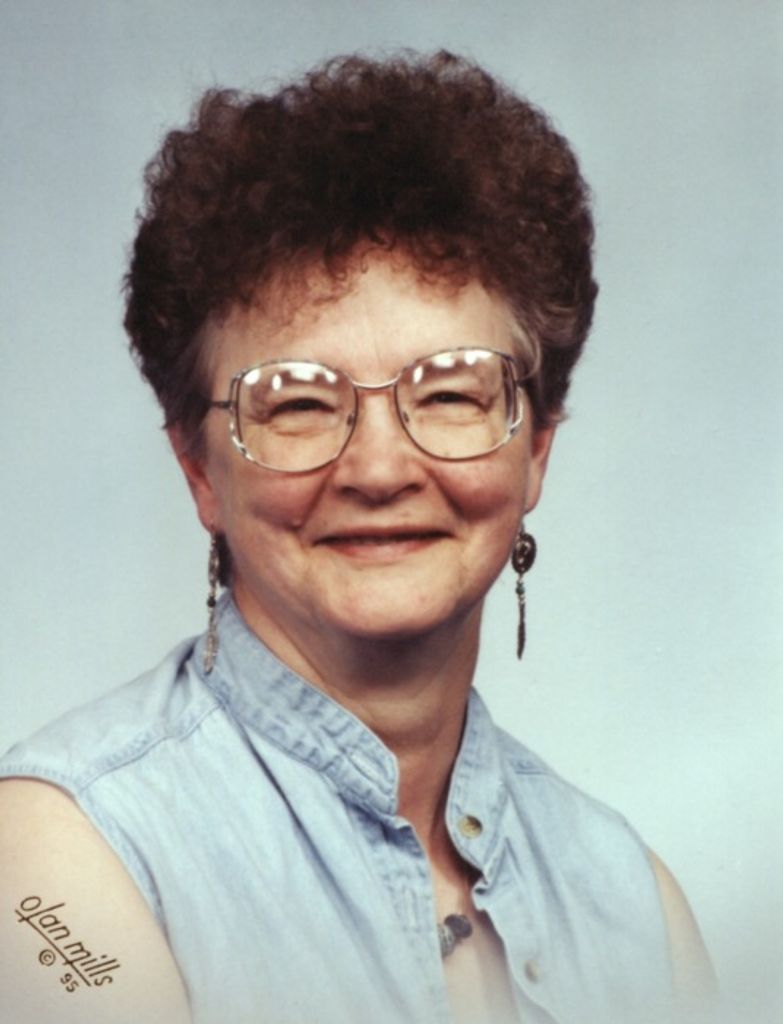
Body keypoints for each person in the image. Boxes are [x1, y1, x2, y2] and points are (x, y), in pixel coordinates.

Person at [0, 51, 715, 1024]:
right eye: (297, 402)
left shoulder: (635, 907)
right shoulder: (55, 860)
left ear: (536, 449)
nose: (380, 469)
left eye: (452, 393)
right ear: (199, 469)